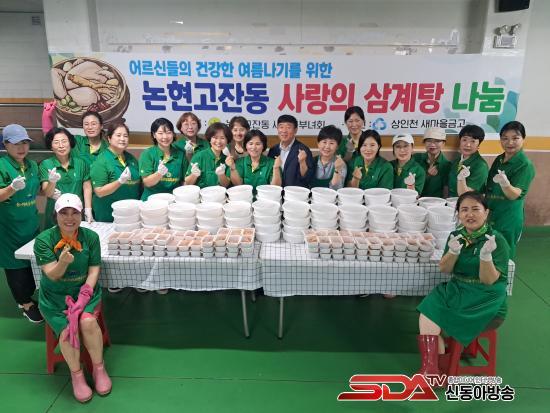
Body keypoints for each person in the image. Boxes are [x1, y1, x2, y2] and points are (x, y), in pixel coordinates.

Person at [416, 191, 510, 377]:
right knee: (428, 309)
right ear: (458, 214)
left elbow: (488, 280)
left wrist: (486, 256)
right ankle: (431, 369)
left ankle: (438, 368)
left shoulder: (496, 240)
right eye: (464, 210)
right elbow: (444, 268)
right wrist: (453, 252)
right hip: (458, 290)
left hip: (485, 300)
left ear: (486, 212)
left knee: (437, 317)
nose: (470, 214)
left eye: (476, 209)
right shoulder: (456, 236)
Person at [34, 193, 111, 402]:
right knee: (68, 331)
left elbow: (94, 270)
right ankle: (77, 375)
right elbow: (53, 275)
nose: (69, 218)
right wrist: (63, 262)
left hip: (85, 293)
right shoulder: (44, 240)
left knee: (87, 322)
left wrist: (85, 296)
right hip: (55, 298)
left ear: (81, 215)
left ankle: (99, 368)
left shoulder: (90, 237)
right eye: (64, 213)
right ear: (55, 215)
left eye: (74, 213)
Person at [0, 124, 43, 323]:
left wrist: (51, 186)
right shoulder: (2, 166)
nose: (21, 147)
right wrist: (11, 188)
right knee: (15, 267)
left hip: (31, 225)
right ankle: (24, 303)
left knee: (31, 264)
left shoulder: (32, 165)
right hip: (9, 228)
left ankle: (30, 294)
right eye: (16, 143)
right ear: (6, 144)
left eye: (25, 142)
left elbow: (37, 189)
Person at [486, 121, 535, 258]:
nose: (509, 142)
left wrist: (505, 184)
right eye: (505, 138)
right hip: (493, 213)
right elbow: (489, 187)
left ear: (523, 139)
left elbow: (514, 195)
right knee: (489, 251)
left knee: (504, 253)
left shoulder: (524, 165)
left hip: (508, 217)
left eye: (515, 138)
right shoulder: (499, 159)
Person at [40, 128, 93, 228]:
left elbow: (87, 187)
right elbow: (47, 193)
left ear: (70, 143)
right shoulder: (46, 164)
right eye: (56, 142)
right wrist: (52, 182)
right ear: (51, 146)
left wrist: (88, 209)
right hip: (55, 214)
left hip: (76, 213)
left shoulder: (81, 163)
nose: (61, 146)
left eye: (64, 141)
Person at [90, 122, 141, 222]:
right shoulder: (102, 160)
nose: (122, 139)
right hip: (108, 215)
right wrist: (119, 181)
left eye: (125, 136)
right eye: (118, 135)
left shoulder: (132, 159)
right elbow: (99, 192)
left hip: (130, 214)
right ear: (109, 138)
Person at [139, 118, 188, 200]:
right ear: (154, 135)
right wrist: (159, 174)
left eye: (168, 132)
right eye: (160, 133)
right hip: (151, 201)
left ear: (173, 134)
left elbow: (184, 181)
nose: (165, 137)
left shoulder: (180, 154)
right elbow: (147, 183)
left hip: (173, 200)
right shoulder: (147, 154)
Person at [267, 114, 314, 187]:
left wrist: (302, 162)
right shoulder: (273, 149)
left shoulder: (303, 150)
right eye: (281, 127)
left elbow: (307, 177)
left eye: (288, 127)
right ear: (277, 129)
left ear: (295, 130)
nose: (284, 131)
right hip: (276, 191)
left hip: (294, 192)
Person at [184, 122, 231, 188]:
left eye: (222, 138)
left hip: (220, 193)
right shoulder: (199, 156)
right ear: (210, 139)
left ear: (227, 140)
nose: (218, 141)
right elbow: (188, 183)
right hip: (200, 194)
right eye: (215, 137)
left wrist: (221, 175)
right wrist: (194, 175)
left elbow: (225, 185)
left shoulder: (227, 160)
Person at [448, 124, 489, 197]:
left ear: (478, 145)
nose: (468, 145)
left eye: (473, 141)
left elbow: (466, 195)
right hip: (451, 202)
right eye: (464, 140)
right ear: (460, 141)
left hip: (469, 202)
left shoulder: (481, 165)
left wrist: (461, 179)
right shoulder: (456, 161)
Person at [413, 127, 451, 198]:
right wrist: (427, 175)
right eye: (429, 141)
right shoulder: (416, 158)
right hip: (415, 199)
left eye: (437, 141)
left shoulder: (447, 165)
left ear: (443, 143)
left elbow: (446, 190)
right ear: (424, 142)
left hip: (436, 202)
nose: (432, 144)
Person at [309, 125, 347, 189]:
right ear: (318, 144)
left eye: (331, 143)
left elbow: (337, 189)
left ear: (337, 146)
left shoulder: (341, 164)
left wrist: (337, 169)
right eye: (324, 142)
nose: (327, 146)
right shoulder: (311, 161)